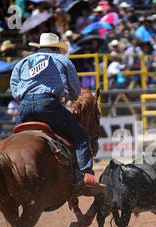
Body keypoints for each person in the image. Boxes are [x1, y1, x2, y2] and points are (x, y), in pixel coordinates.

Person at [10, 33, 104, 196]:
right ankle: (85, 176)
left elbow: (14, 86)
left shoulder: (23, 62)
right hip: (48, 105)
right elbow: (75, 90)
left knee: (16, 139)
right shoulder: (62, 60)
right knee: (81, 136)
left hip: (24, 107)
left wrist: (24, 97)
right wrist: (67, 97)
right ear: (56, 47)